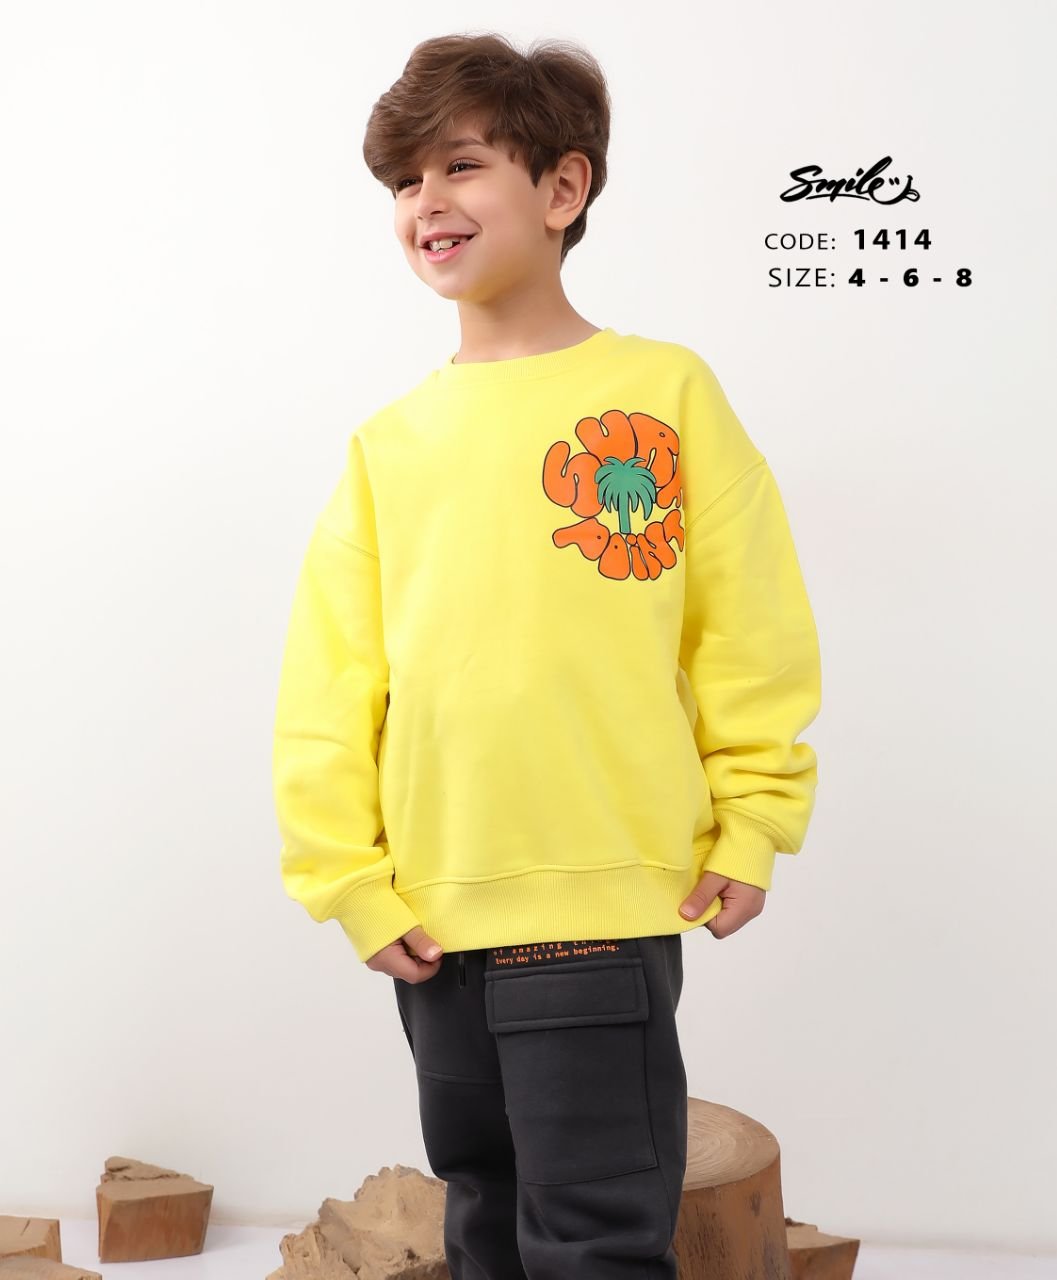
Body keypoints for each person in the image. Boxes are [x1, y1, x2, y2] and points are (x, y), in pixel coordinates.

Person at [271, 31, 822, 1280]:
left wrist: (752, 818)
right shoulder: (390, 443)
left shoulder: (664, 392)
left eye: (460, 164)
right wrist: (348, 877)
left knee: (593, 1240)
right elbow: (330, 682)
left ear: (562, 188)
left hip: (598, 907)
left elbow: (747, 628)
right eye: (404, 180)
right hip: (432, 919)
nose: (426, 200)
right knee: (484, 1218)